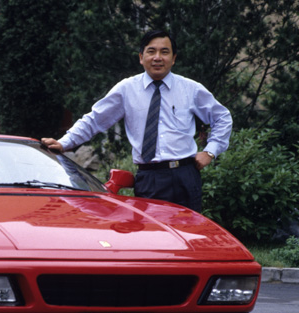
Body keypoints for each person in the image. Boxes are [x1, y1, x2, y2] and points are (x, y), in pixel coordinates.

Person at [42, 30, 232, 213]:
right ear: (141, 57)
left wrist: (210, 151)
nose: (157, 57)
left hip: (185, 175)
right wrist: (64, 143)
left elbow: (222, 117)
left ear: (173, 59)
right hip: (149, 178)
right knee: (151, 238)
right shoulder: (126, 89)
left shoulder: (191, 89)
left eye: (164, 52)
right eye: (151, 51)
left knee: (189, 236)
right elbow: (95, 119)